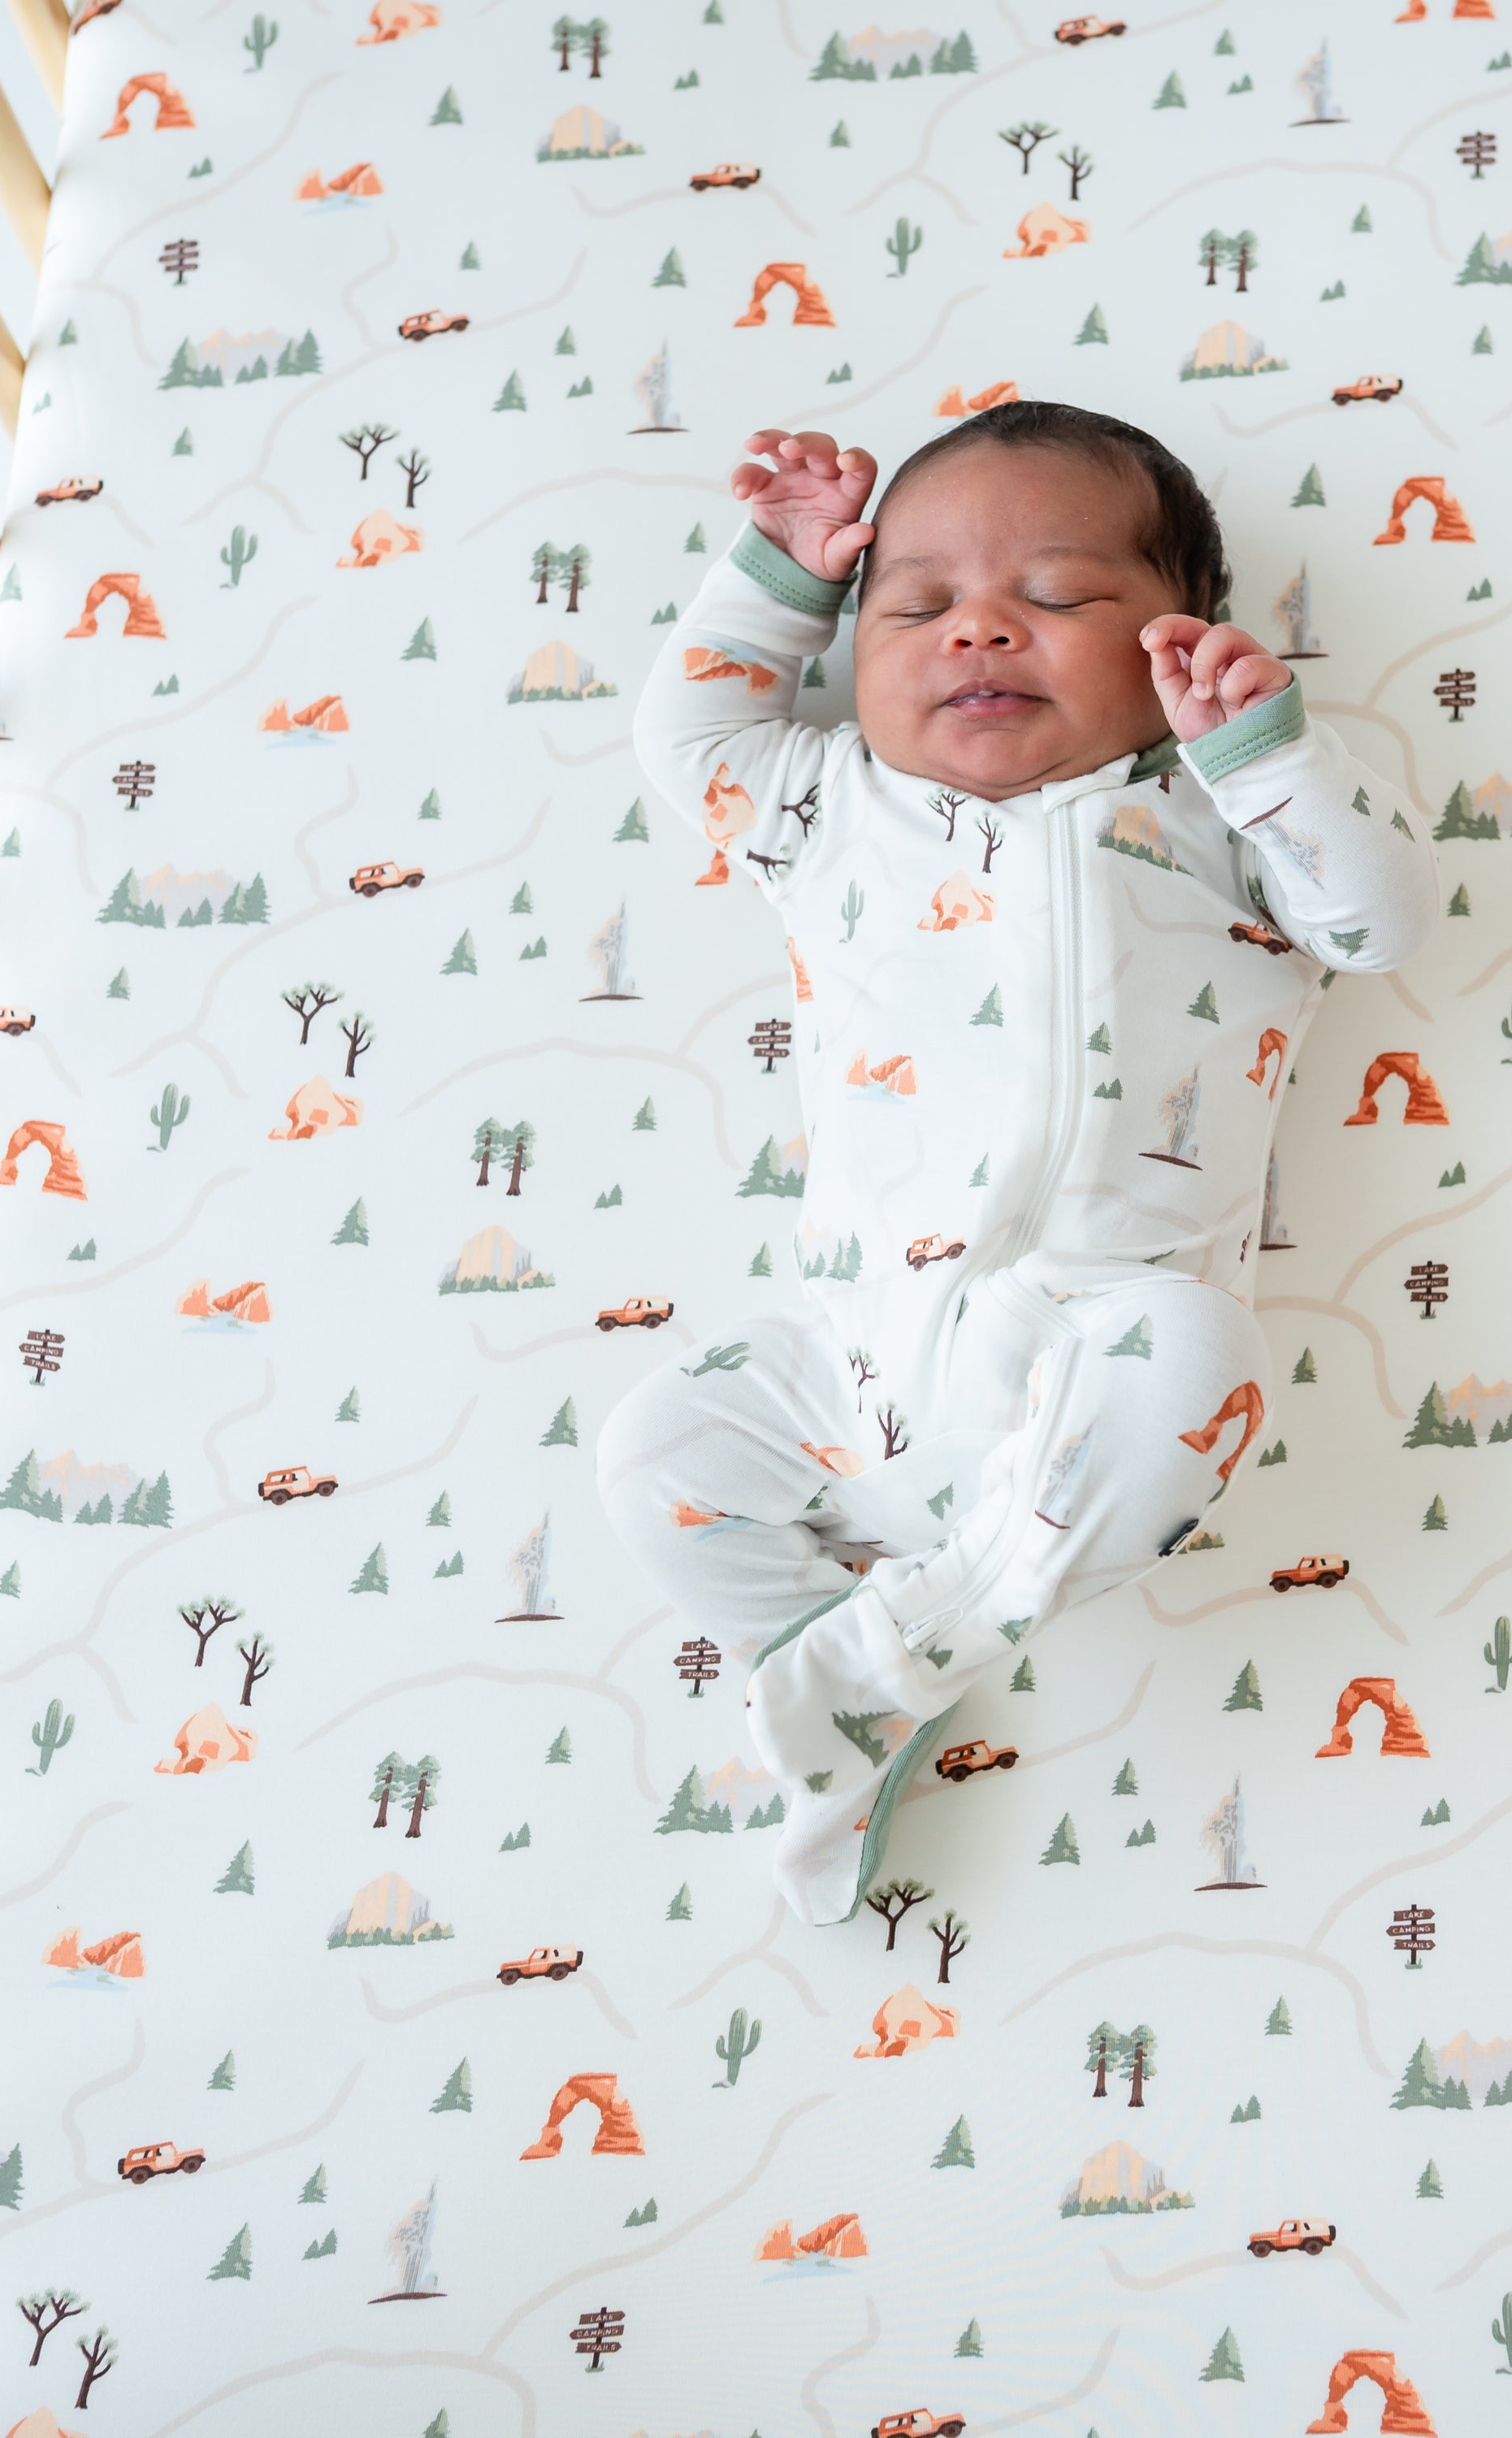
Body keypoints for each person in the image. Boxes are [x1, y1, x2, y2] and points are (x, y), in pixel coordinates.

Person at [596, 405, 1442, 1924]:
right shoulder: (834, 805)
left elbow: (1376, 923)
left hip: (1102, 1334)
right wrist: (779, 577)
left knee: (1203, 1361)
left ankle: (889, 1657)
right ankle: (842, 1664)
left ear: (1182, 640)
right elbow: (692, 737)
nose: (980, 628)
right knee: (655, 1453)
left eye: (1055, 598)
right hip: (852, 1369)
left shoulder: (1211, 814)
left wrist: (1263, 758)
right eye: (914, 605)